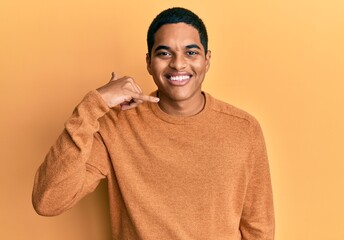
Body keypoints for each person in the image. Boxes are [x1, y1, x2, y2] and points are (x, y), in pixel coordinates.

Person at [32, 7, 275, 240]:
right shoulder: (116, 126)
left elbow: (258, 229)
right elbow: (48, 201)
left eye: (191, 52)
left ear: (207, 60)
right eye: (165, 53)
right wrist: (94, 104)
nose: (178, 64)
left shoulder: (243, 129)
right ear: (149, 62)